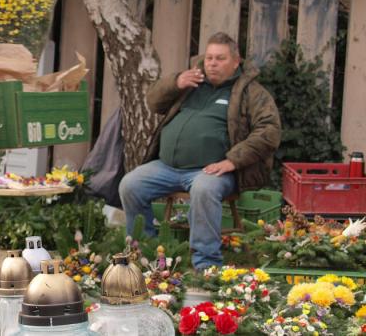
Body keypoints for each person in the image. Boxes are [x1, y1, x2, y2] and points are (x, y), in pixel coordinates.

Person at [119, 32, 280, 269]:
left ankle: (205, 264)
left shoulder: (251, 92)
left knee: (204, 189)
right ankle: (144, 254)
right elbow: (153, 102)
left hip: (214, 170)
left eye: (220, 58)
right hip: (167, 167)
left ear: (236, 61)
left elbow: (270, 130)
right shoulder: (190, 83)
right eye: (209, 58)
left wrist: (232, 161)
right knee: (130, 185)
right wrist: (175, 83)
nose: (212, 63)